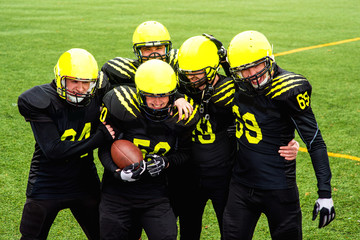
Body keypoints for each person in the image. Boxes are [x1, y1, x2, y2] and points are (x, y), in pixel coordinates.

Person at [176, 35, 300, 240]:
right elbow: (157, 89)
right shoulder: (180, 89)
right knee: (188, 228)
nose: (192, 79)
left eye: (197, 73)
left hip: (225, 174)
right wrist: (178, 96)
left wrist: (288, 139)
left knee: (230, 230)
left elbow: (265, 110)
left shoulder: (229, 90)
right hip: (190, 172)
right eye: (188, 74)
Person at [223, 30, 335, 240]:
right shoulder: (236, 83)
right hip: (241, 186)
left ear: (270, 58)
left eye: (256, 65)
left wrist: (325, 193)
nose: (251, 74)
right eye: (243, 70)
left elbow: (314, 141)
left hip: (278, 187)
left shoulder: (288, 88)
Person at [17, 48, 115, 240]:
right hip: (47, 182)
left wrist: (177, 98)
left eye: (86, 82)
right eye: (74, 81)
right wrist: (98, 138)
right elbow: (53, 150)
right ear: (60, 78)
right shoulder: (40, 100)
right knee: (31, 236)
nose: (80, 88)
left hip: (84, 180)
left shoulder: (99, 94)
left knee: (104, 235)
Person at [98, 59, 200, 239]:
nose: (157, 102)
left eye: (163, 95)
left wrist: (165, 162)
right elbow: (105, 149)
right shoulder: (122, 108)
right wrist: (117, 172)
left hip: (155, 195)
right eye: (151, 96)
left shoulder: (180, 115)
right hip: (117, 195)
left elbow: (185, 153)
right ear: (139, 93)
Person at [101, 20, 178, 88]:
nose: (154, 54)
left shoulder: (178, 62)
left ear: (167, 48)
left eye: (158, 48)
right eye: (147, 49)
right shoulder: (126, 70)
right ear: (138, 51)